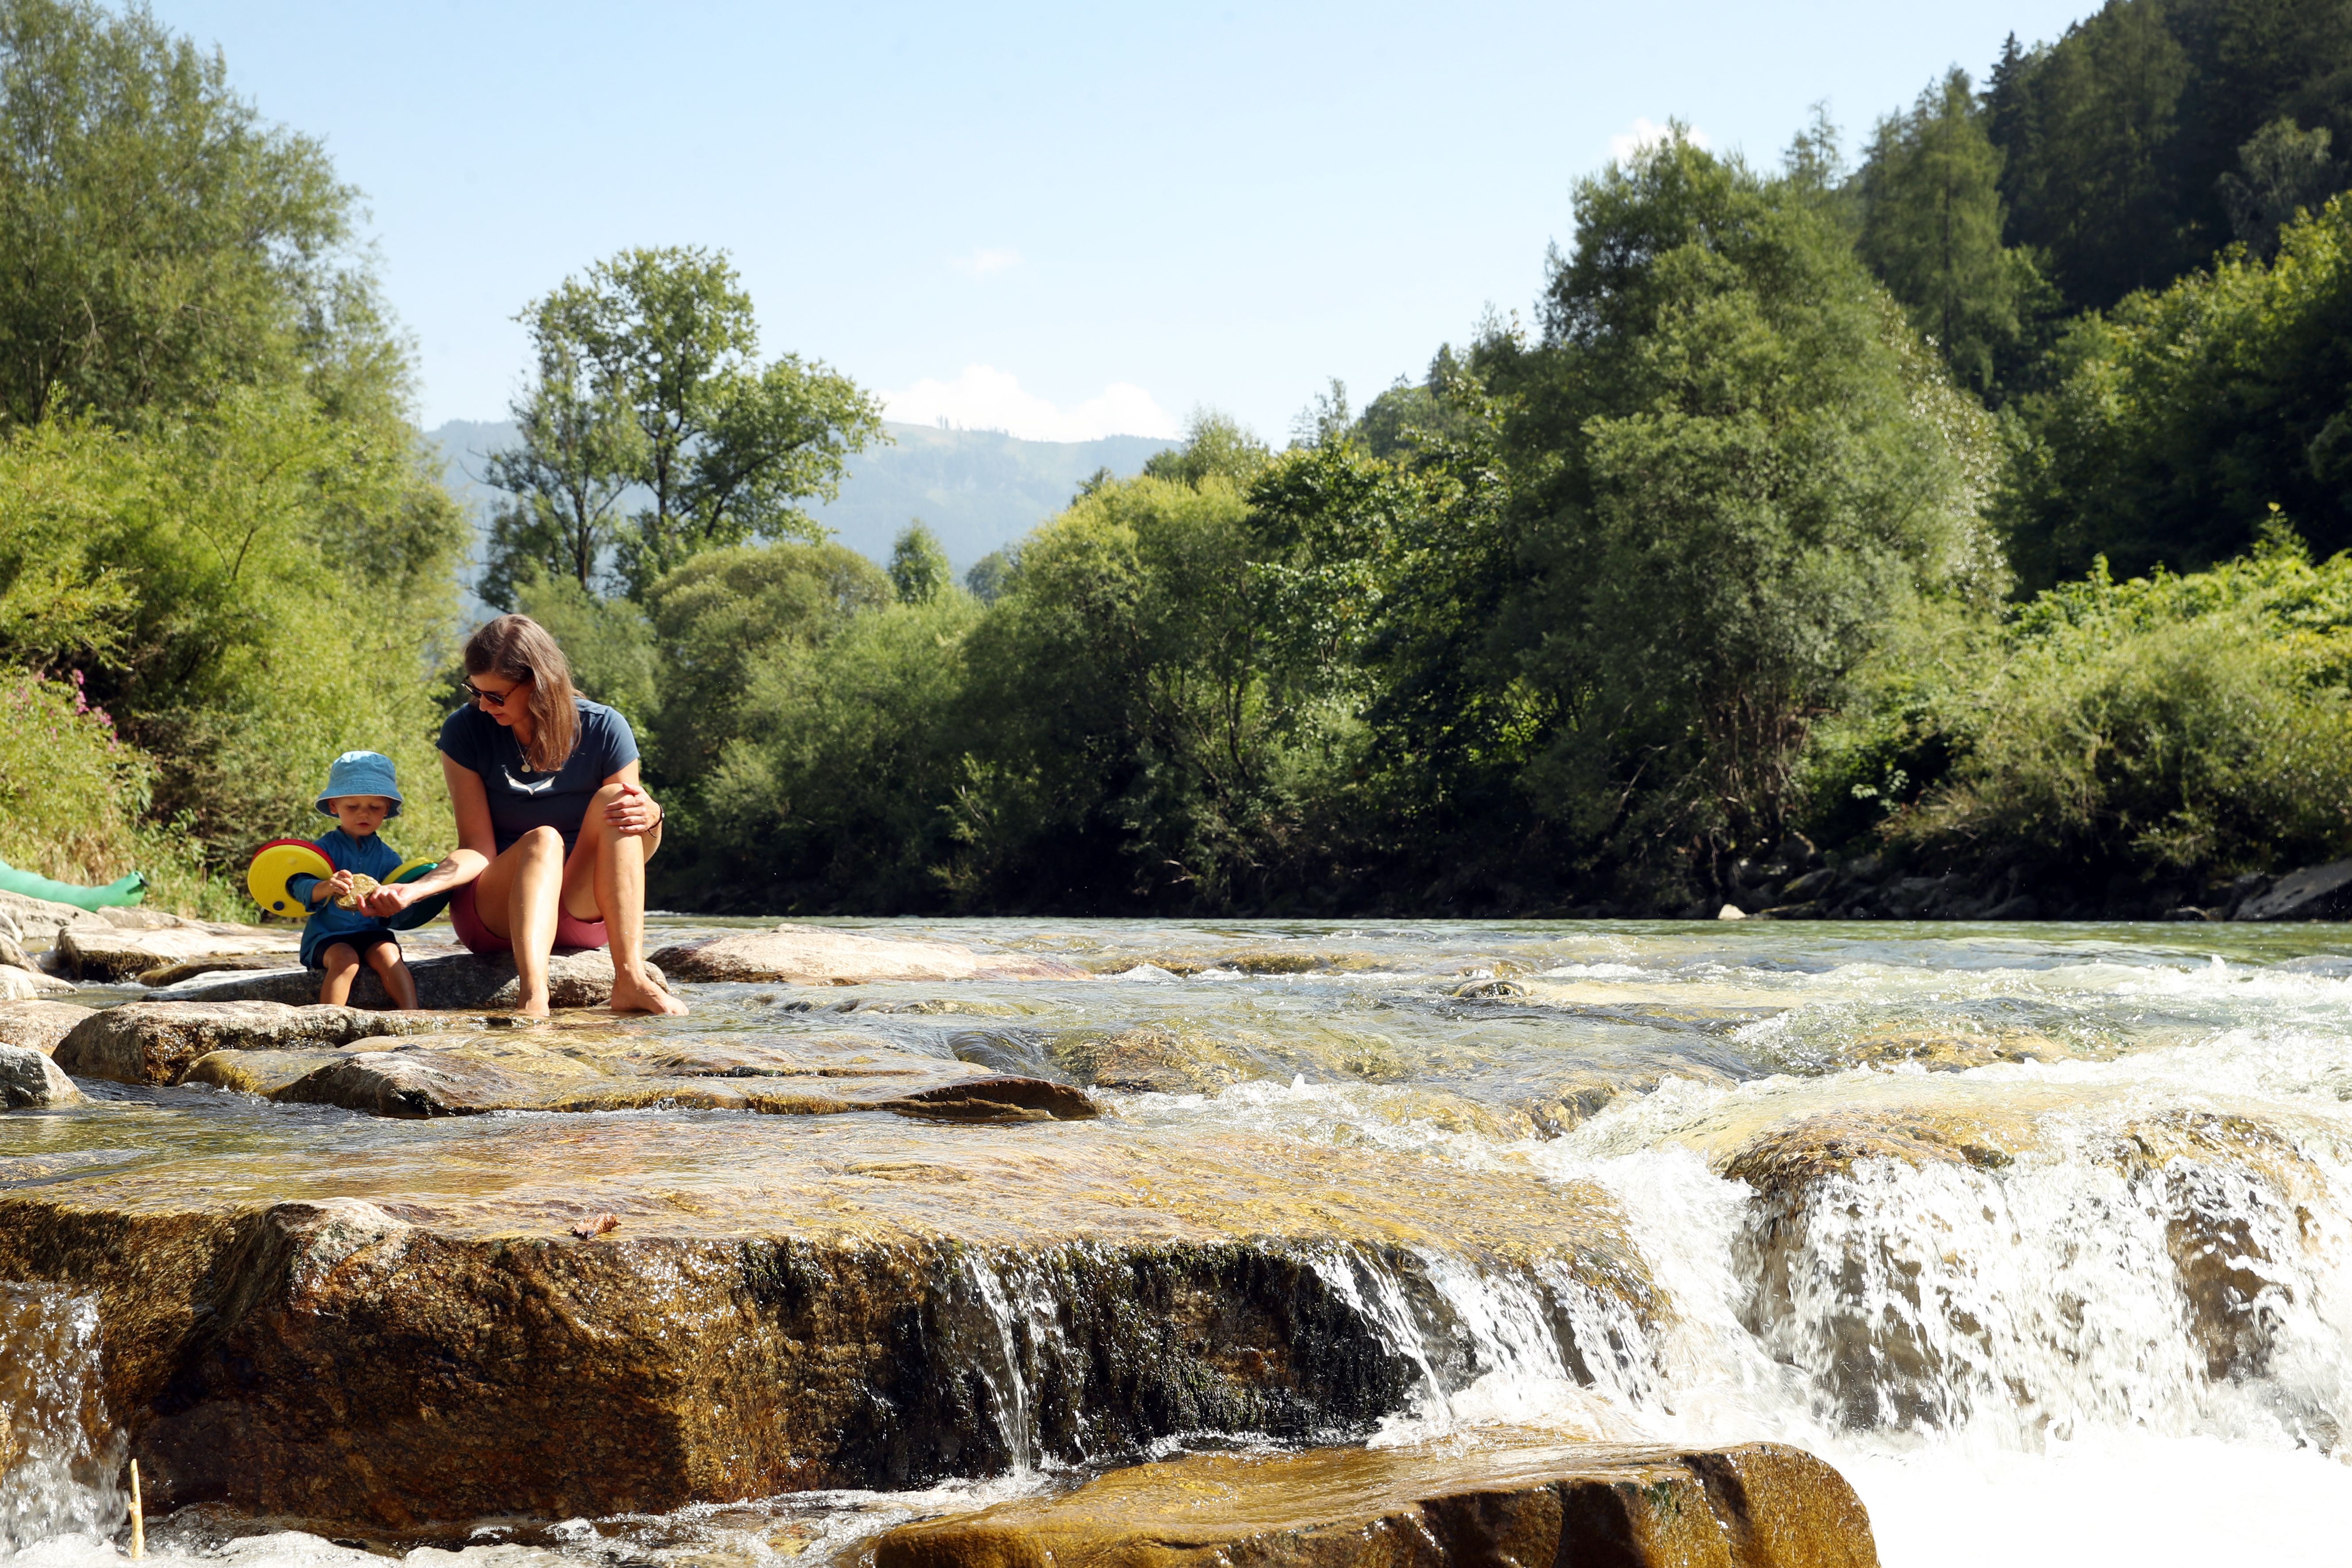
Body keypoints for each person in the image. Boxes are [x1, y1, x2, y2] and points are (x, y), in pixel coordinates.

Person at [356, 614, 685, 1017]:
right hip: (495, 913)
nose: (483, 705)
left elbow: (630, 838)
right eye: (475, 691)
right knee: (544, 839)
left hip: (581, 909)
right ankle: (533, 997)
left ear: (540, 683)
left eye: (496, 696)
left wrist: (654, 815)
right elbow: (476, 849)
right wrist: (414, 891)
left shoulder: (604, 728)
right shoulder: (466, 730)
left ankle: (631, 979)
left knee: (620, 800)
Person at [292, 751, 420, 1010]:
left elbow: (399, 906)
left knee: (390, 954)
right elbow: (297, 886)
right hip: (328, 937)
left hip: (372, 933)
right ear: (334, 806)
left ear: (386, 809)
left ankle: (413, 1014)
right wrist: (325, 887)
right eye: (353, 807)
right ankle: (329, 1020)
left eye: (375, 807)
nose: (364, 814)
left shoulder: (388, 857)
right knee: (346, 960)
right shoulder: (322, 850)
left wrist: (391, 903)